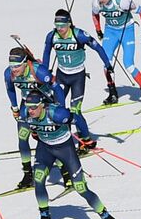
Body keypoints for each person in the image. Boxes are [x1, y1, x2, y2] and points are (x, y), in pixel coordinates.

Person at [20, 91, 118, 219]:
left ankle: (106, 216)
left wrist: (85, 139)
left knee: (80, 187)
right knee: (38, 179)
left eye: (34, 107)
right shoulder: (26, 113)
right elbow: (27, 131)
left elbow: (77, 119)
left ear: (42, 105)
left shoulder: (57, 114)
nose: (30, 110)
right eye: (29, 107)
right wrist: (35, 133)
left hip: (65, 149)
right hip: (45, 149)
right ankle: (45, 218)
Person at [5, 46, 86, 189]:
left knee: (48, 137)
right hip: (27, 106)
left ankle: (65, 171)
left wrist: (60, 106)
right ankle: (27, 173)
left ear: (25, 63)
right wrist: (15, 107)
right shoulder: (9, 74)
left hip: (46, 104)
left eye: (17, 65)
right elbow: (10, 89)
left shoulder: (38, 71)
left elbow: (57, 88)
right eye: (12, 66)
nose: (14, 69)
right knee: (22, 136)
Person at [41, 8, 114, 146]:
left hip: (77, 77)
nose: (59, 29)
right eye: (57, 25)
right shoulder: (52, 36)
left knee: (75, 110)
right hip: (62, 76)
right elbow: (46, 53)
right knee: (58, 109)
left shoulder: (79, 35)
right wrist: (45, 71)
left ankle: (86, 139)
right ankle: (64, 138)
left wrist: (107, 64)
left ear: (69, 23)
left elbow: (97, 47)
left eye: (62, 25)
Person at [91, 0, 141, 105]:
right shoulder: (96, 4)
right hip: (110, 31)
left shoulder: (121, 1)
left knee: (129, 64)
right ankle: (113, 93)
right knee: (106, 63)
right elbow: (94, 15)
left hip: (127, 30)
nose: (101, 0)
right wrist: (98, 30)